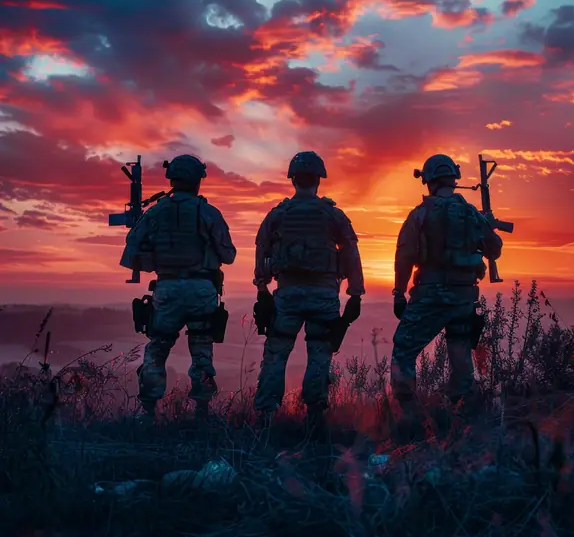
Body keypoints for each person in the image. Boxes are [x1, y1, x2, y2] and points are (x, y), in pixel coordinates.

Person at [253, 151, 365, 428]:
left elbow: (261, 250)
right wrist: (355, 293)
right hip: (324, 297)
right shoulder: (333, 215)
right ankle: (315, 416)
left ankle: (267, 417)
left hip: (288, 295)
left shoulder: (278, 214)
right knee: (319, 353)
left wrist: (262, 289)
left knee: (277, 352)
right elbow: (350, 251)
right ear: (319, 180)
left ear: (293, 180)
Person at [119, 154, 236, 418]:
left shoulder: (156, 212)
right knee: (202, 350)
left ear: (172, 179)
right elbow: (228, 255)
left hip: (167, 289)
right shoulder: (208, 212)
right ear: (198, 181)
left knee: (157, 348)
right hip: (202, 290)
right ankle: (202, 412)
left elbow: (131, 251)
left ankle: (147, 412)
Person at [391, 153, 503, 411]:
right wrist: (488, 225)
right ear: (454, 179)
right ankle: (464, 415)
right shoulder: (471, 214)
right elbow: (494, 249)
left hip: (431, 295)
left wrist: (399, 293)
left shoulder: (420, 214)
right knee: (460, 351)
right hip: (464, 298)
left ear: (428, 181)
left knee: (404, 347)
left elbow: (405, 254)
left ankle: (407, 414)